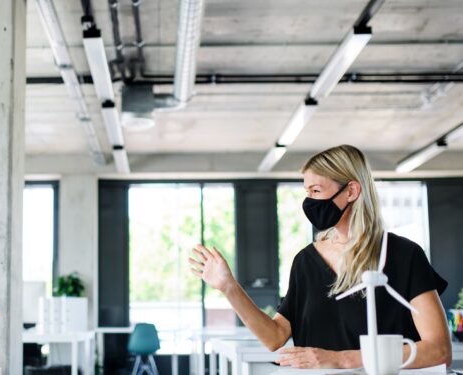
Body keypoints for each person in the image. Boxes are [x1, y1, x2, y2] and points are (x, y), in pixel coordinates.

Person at [189, 145, 451, 369]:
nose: (309, 201)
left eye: (316, 191)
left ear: (351, 191)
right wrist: (229, 287)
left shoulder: (403, 255)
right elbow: (275, 337)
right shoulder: (305, 261)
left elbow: (440, 350)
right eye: (307, 192)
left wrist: (343, 359)